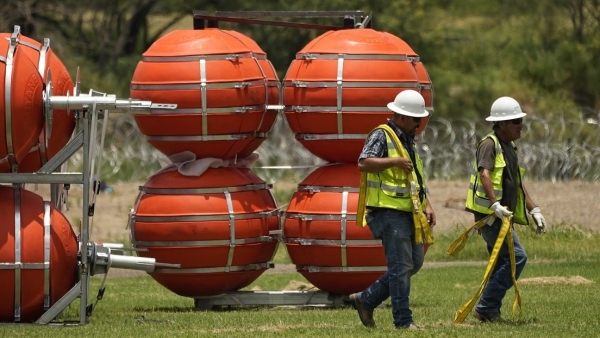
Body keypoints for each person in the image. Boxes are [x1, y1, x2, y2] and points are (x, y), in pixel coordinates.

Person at [350, 89, 436, 329]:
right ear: (401, 117)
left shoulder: (408, 141)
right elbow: (363, 163)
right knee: (400, 267)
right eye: (416, 119)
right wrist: (394, 161)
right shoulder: (382, 135)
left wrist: (427, 204)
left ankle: (366, 300)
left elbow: (414, 178)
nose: (419, 124)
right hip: (387, 211)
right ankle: (403, 322)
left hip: (409, 211)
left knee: (414, 263)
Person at [465, 96, 547, 323]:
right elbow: (484, 174)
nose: (520, 125)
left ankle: (489, 310)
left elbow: (517, 184)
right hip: (492, 217)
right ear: (501, 124)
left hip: (502, 215)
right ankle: (486, 307)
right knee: (517, 258)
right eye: (515, 121)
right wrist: (494, 204)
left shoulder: (509, 147)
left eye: (520, 120)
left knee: (503, 261)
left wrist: (535, 210)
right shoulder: (489, 144)